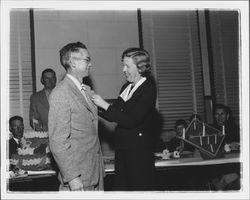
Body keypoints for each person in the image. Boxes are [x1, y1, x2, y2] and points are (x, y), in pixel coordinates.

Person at [92, 47, 157, 191]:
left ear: (140, 68)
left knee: (138, 188)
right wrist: (93, 104)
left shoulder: (148, 89)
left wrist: (103, 104)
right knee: (123, 188)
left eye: (127, 66)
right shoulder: (126, 88)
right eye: (123, 65)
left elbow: (131, 120)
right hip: (122, 147)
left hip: (138, 151)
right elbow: (114, 115)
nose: (123, 69)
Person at [48, 42, 104, 191]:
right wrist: (72, 177)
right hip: (78, 178)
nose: (90, 64)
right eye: (87, 59)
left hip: (93, 173)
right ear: (73, 63)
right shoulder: (61, 93)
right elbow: (58, 141)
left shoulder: (84, 90)